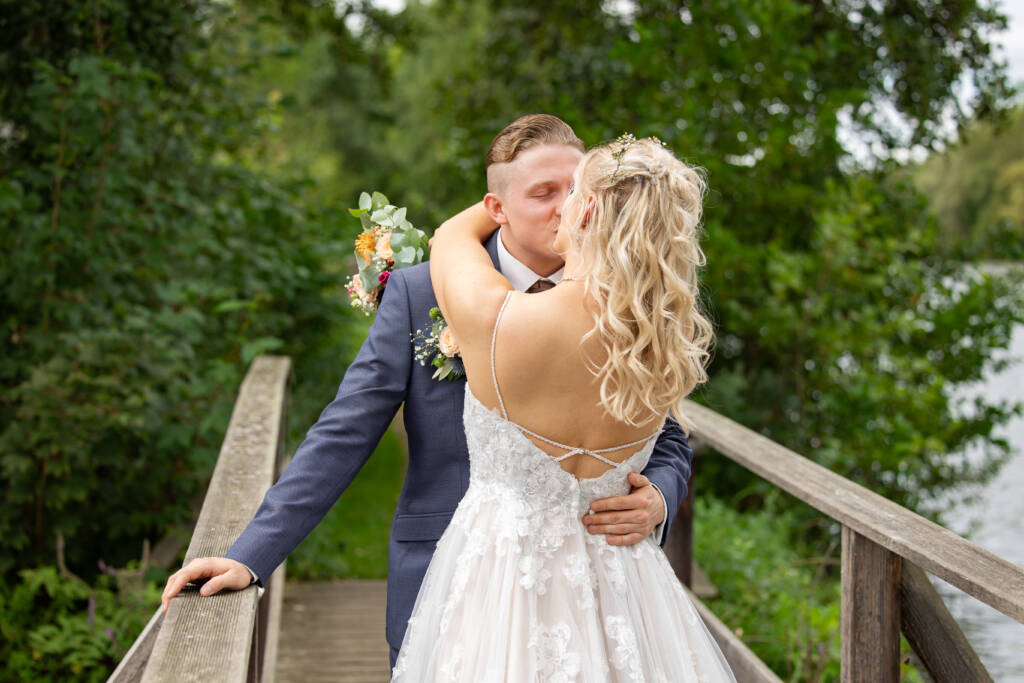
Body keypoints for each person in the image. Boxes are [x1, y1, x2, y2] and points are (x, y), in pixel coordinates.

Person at [159, 115, 696, 668]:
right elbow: (345, 430)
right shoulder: (421, 292)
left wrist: (658, 494)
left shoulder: (632, 303)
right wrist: (250, 556)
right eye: (543, 193)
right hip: (448, 596)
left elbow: (668, 434)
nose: (568, 206)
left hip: (601, 597)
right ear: (496, 208)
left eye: (576, 187)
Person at [390, 134, 735, 681]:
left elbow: (449, 238)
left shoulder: (503, 322)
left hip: (501, 589)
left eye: (573, 191)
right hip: (625, 588)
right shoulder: (660, 348)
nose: (561, 204)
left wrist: (500, 202)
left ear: (589, 209)